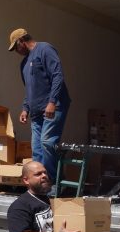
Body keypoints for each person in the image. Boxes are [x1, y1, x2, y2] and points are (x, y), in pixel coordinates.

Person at [8, 28, 72, 191]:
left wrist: (52, 102)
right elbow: (30, 89)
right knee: (37, 150)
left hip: (53, 107)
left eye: (16, 47)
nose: (16, 52)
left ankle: (54, 183)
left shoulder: (44, 49)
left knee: (47, 142)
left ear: (22, 41)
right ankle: (40, 187)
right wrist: (25, 108)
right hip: (36, 113)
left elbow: (57, 75)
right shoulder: (24, 64)